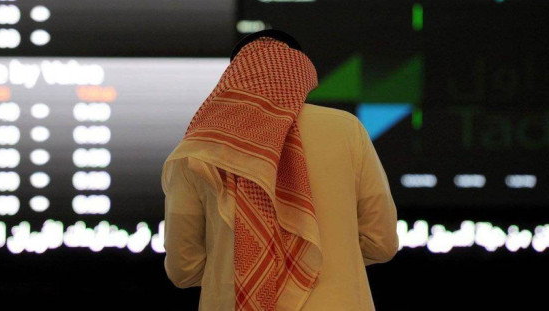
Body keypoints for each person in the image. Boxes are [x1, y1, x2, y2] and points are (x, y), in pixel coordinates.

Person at [161, 29, 399, 310]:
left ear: (235, 78)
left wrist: (245, 270)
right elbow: (382, 243)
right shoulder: (347, 130)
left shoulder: (197, 148)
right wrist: (323, 261)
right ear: (300, 74)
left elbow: (183, 268)